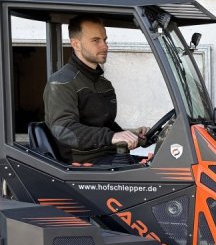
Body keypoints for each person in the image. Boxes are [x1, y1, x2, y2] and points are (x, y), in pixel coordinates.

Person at [43, 14, 146, 165]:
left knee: (163, 165)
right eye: (95, 40)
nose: (105, 46)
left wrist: (133, 135)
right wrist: (111, 137)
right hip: (84, 163)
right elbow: (64, 129)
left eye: (105, 40)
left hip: (108, 156)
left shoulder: (103, 83)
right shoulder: (62, 82)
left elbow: (106, 126)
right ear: (76, 44)